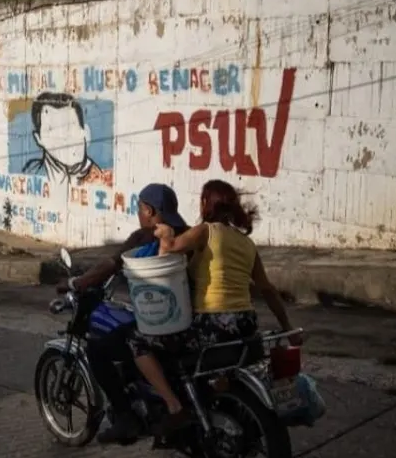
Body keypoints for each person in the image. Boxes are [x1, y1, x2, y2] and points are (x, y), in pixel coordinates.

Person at [129, 179, 302, 427]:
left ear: (205, 203)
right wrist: (287, 327)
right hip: (245, 323)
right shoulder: (247, 243)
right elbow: (267, 290)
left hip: (214, 324)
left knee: (137, 340)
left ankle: (173, 404)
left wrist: (166, 233)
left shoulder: (206, 231)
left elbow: (167, 253)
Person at [56, 183, 190, 444]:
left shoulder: (143, 237)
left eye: (139, 208)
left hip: (160, 320)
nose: (138, 214)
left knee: (97, 350)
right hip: (187, 317)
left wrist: (77, 283)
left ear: (149, 210)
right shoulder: (187, 233)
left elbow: (109, 265)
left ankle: (125, 417)